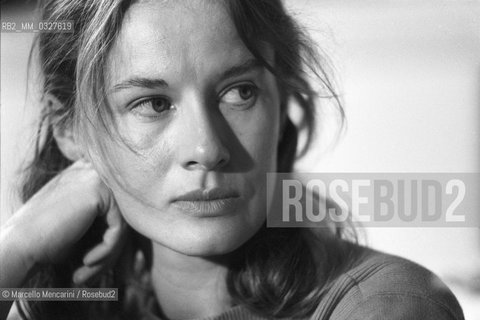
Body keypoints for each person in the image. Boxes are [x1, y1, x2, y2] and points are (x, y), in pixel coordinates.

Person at [0, 0, 465, 319]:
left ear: (282, 104)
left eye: (239, 93)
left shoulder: (386, 304)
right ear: (70, 131)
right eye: (153, 104)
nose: (207, 149)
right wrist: (16, 250)